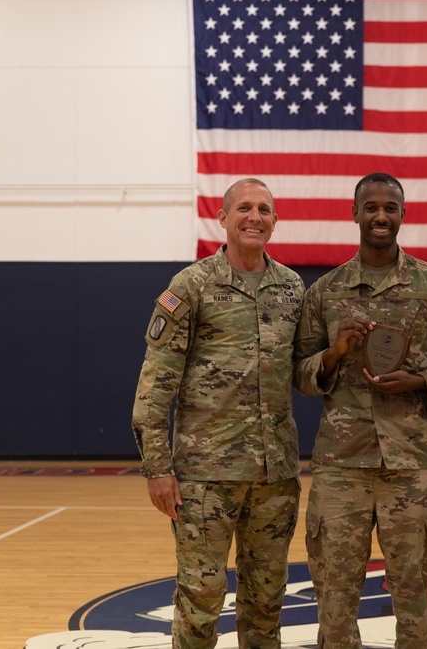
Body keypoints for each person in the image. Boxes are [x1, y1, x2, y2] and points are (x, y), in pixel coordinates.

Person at [293, 172, 427, 649]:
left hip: (409, 466)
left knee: (416, 609)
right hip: (341, 468)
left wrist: (423, 381)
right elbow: (298, 373)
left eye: (389, 207)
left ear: (403, 213)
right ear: (354, 213)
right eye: (371, 207)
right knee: (334, 610)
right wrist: (335, 354)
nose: (380, 216)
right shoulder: (325, 291)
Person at [131, 178, 304, 649]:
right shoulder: (190, 286)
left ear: (274, 221)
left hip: (274, 476)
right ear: (223, 218)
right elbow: (154, 387)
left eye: (264, 209)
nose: (255, 217)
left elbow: (304, 371)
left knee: (266, 600)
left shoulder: (291, 288)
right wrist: (158, 469)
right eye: (244, 208)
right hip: (204, 477)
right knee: (202, 596)